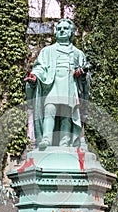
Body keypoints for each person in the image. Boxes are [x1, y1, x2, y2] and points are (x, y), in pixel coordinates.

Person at [25, 18, 89, 150]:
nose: (62, 31)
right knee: (50, 109)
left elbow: (85, 77)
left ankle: (64, 143)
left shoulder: (78, 53)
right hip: (52, 86)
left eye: (65, 29)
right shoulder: (47, 51)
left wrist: (82, 75)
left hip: (70, 87)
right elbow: (40, 68)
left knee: (66, 115)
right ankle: (46, 140)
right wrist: (35, 77)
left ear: (71, 32)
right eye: (59, 29)